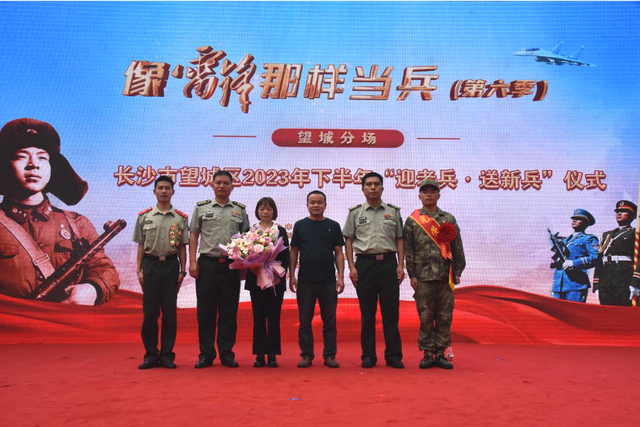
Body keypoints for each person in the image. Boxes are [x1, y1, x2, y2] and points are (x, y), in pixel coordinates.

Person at [0, 118, 119, 305]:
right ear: (6, 165)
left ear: (51, 168)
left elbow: (102, 268)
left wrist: (92, 289)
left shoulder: (77, 224)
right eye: (22, 156)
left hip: (65, 321)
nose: (33, 164)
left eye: (42, 158)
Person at [343, 172, 405, 369]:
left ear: (382, 188)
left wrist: (401, 265)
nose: (372, 187)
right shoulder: (355, 213)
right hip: (365, 265)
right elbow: (349, 240)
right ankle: (368, 356)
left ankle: (393, 356)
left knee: (391, 314)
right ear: (362, 189)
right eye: (368, 184)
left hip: (388, 264)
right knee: (367, 314)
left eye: (376, 184)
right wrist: (351, 267)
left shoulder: (393, 211)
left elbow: (400, 239)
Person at [189, 170, 250, 368]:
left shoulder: (239, 210)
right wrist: (192, 261)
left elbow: (247, 237)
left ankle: (226, 353)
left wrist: (245, 263)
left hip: (231, 266)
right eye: (218, 183)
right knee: (205, 311)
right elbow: (193, 235)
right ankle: (206, 354)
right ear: (212, 185)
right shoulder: (201, 208)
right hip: (207, 265)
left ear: (232, 186)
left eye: (226, 183)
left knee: (229, 311)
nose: (222, 186)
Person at [403, 179, 465, 370]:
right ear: (419, 196)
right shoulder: (413, 220)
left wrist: (458, 271)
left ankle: (441, 353)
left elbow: (457, 247)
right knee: (425, 316)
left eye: (432, 191)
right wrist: (412, 275)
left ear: (438, 195)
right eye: (425, 191)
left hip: (446, 276)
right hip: (423, 277)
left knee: (445, 315)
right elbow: (409, 250)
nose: (429, 194)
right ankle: (428, 353)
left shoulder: (448, 219)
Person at [132, 176, 188, 369]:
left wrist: (182, 271)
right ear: (154, 191)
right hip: (150, 265)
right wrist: (139, 270)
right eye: (160, 188)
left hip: (171, 266)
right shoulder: (144, 216)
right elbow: (141, 245)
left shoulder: (180, 218)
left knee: (170, 313)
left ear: (173, 192)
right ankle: (150, 354)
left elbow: (182, 247)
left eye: (167, 188)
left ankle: (166, 355)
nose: (164, 191)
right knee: (150, 312)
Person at [289, 190, 345, 368]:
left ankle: (329, 355)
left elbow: (338, 252)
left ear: (325, 205)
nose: (316, 205)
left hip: (328, 281)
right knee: (305, 320)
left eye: (319, 202)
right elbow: (294, 251)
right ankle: (306, 354)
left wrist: (341, 277)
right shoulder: (300, 225)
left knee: (330, 320)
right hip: (305, 281)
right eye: (312, 202)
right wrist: (292, 275)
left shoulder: (333, 226)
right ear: (307, 205)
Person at [244, 197, 289, 368]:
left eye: (269, 209)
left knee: (274, 317)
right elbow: (245, 254)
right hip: (256, 279)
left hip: (276, 280)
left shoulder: (280, 230)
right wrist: (253, 268)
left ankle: (272, 354)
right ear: (257, 211)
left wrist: (278, 276)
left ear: (274, 212)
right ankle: (259, 354)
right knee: (259, 317)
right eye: (262, 209)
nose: (265, 212)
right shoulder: (250, 230)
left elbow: (285, 255)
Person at [593, 201, 637, 306]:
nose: (619, 213)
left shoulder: (635, 233)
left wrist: (636, 282)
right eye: (617, 212)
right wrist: (596, 285)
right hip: (605, 281)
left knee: (623, 313)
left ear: (632, 216)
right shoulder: (606, 235)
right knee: (606, 313)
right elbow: (599, 261)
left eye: (624, 211)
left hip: (624, 280)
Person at [551, 209, 599, 303]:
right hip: (559, 284)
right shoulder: (565, 241)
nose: (574, 220)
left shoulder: (589, 239)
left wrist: (574, 263)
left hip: (576, 284)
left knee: (573, 310)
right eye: (573, 219)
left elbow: (595, 258)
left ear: (586, 223)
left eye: (578, 219)